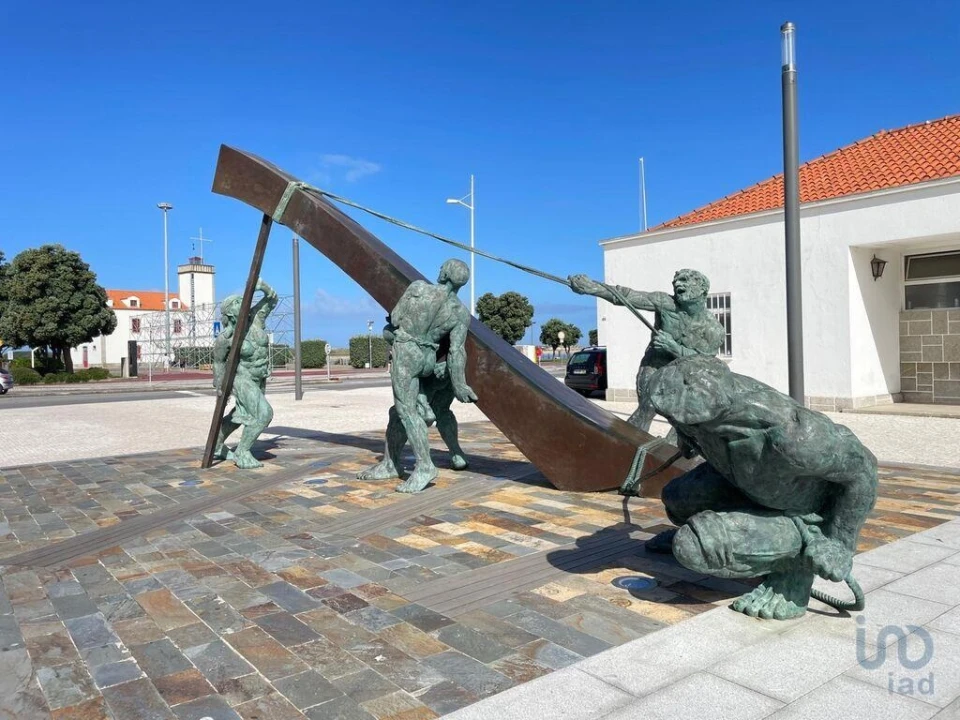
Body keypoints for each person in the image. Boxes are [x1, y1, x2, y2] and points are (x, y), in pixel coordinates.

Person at [644, 355, 878, 619]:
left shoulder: (795, 437)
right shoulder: (703, 417)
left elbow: (864, 472)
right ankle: (750, 529)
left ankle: (793, 572)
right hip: (749, 486)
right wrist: (687, 435)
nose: (672, 422)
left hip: (801, 515)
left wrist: (839, 544)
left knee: (693, 547)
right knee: (677, 498)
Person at [358, 259, 477, 493]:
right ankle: (391, 463)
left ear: (446, 275)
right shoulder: (460, 312)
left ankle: (424, 466)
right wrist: (460, 384)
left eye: (442, 267)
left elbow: (396, 318)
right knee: (398, 412)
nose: (439, 269)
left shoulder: (418, 288)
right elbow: (456, 351)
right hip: (428, 357)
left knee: (405, 411)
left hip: (408, 350)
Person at [568, 269, 725, 432]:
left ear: (702, 289)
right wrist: (592, 287)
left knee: (687, 420)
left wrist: (674, 347)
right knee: (647, 406)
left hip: (685, 373)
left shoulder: (713, 329)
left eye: (684, 280)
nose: (678, 283)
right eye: (676, 281)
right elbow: (626, 296)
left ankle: (676, 451)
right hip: (655, 365)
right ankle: (624, 446)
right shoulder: (665, 303)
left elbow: (705, 361)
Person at [212, 279, 279, 469]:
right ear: (229, 312)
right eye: (235, 302)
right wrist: (220, 386)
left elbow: (272, 300)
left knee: (242, 413)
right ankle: (242, 452)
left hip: (260, 377)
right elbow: (218, 362)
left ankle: (217, 442)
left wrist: (263, 286)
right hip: (242, 378)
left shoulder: (256, 318)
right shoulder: (226, 337)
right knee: (264, 414)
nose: (240, 302)